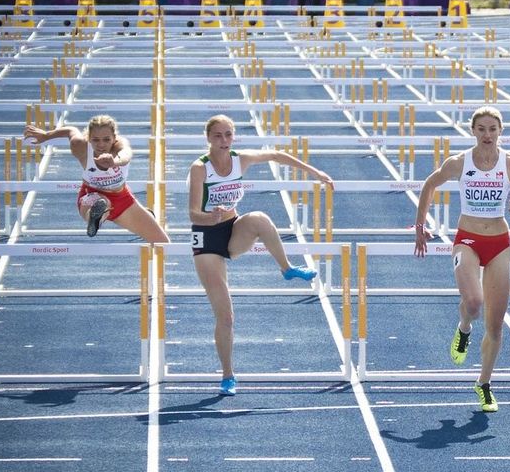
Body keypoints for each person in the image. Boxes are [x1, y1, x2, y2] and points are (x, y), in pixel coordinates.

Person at [189, 115, 333, 396]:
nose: (224, 141)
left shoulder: (240, 159)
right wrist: (210, 216)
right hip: (206, 238)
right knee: (226, 317)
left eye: (228, 135)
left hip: (231, 229)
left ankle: (287, 268)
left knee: (260, 218)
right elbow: (192, 213)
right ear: (208, 138)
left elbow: (277, 155)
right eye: (218, 136)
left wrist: (315, 173)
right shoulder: (199, 168)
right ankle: (228, 375)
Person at [413, 106, 510, 413]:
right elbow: (429, 184)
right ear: (473, 131)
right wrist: (419, 226)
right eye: (482, 129)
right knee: (475, 303)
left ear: (500, 132)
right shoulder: (459, 163)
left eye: (493, 129)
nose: (487, 134)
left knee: (495, 325)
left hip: (499, 243)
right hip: (467, 238)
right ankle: (464, 327)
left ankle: (484, 384)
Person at [23, 116, 169, 243]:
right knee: (102, 203)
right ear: (88, 139)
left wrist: (114, 162)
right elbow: (70, 131)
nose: (101, 144)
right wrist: (47, 135)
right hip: (90, 195)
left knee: (162, 242)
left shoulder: (120, 145)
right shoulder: (80, 146)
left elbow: (127, 154)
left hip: (122, 199)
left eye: (106, 140)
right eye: (95, 140)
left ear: (114, 138)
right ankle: (94, 219)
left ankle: (111, 215)